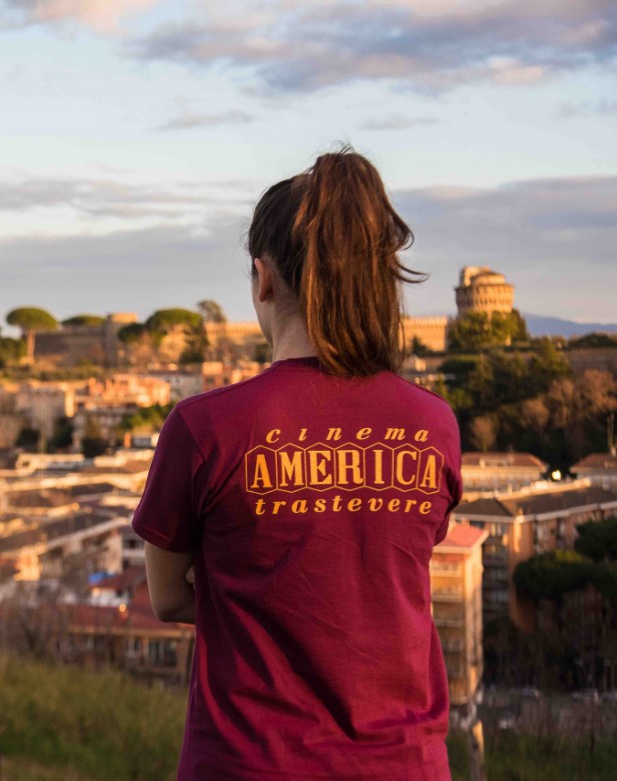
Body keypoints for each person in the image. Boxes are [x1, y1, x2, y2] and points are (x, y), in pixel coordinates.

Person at [132, 146, 462, 780]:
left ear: (262, 278)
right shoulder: (433, 425)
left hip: (248, 765)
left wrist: (258, 603)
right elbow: (381, 576)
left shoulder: (204, 429)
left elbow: (170, 598)